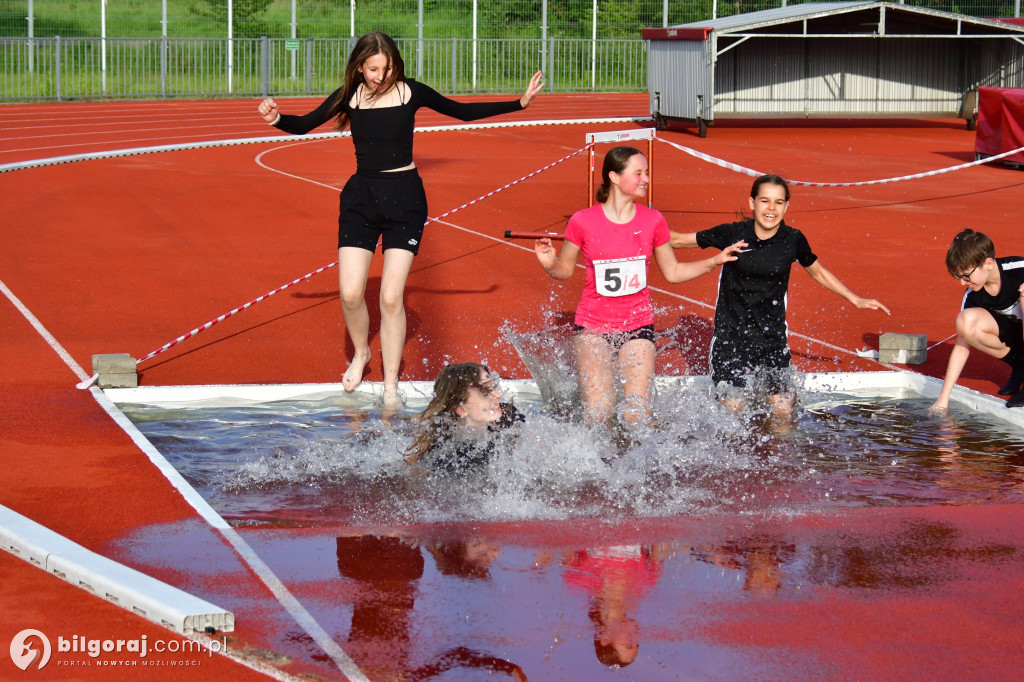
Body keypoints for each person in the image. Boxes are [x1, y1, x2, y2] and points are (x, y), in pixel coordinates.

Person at [258, 32, 544, 408]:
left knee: (392, 298)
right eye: (374, 68)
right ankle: (361, 354)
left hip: (405, 199)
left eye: (388, 66)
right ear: (359, 67)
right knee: (349, 293)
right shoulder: (351, 96)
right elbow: (303, 124)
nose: (381, 74)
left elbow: (461, 111)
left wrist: (519, 103)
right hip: (361, 199)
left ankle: (391, 382)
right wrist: (276, 117)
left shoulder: (411, 92)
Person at [534, 146, 745, 428]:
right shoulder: (582, 221)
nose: (645, 178)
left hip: (637, 326)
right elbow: (565, 270)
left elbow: (674, 272)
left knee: (637, 414)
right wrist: (549, 265)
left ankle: (637, 465)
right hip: (593, 327)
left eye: (646, 172)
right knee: (598, 412)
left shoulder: (653, 220)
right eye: (638, 173)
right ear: (615, 177)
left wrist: (715, 260)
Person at [669, 174, 890, 420]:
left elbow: (818, 272)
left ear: (787, 206)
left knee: (783, 410)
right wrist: (638, 228)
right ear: (752, 203)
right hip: (730, 336)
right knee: (732, 413)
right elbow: (677, 240)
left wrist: (855, 299)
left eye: (778, 202)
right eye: (765, 201)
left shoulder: (793, 240)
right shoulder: (732, 234)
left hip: (770, 337)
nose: (771, 208)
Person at [929, 229, 1024, 413]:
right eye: (958, 277)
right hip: (1017, 339)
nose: (962, 283)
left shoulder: (1019, 268)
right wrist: (943, 400)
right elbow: (962, 344)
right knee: (966, 322)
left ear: (988, 263)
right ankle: (1020, 366)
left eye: (966, 276)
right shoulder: (973, 296)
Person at [404, 362, 524, 473]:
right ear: (462, 409)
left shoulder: (508, 415)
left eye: (493, 386)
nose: (497, 395)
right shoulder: (450, 458)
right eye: (486, 394)